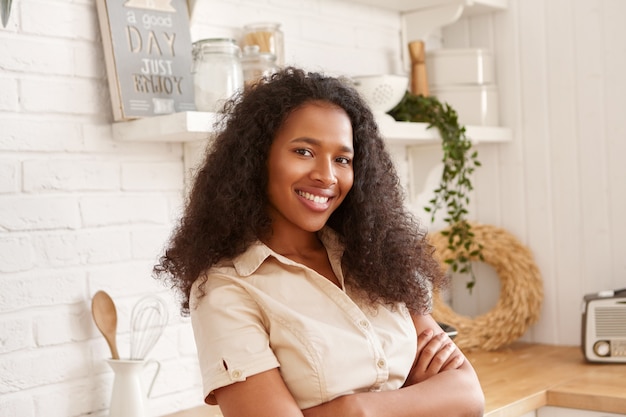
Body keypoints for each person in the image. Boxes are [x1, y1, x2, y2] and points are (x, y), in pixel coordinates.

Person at [154, 67, 484, 417]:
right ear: (257, 159)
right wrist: (401, 399)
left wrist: (356, 408)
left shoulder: (376, 261)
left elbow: (468, 394)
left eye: (342, 159)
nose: (327, 176)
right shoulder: (225, 290)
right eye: (304, 152)